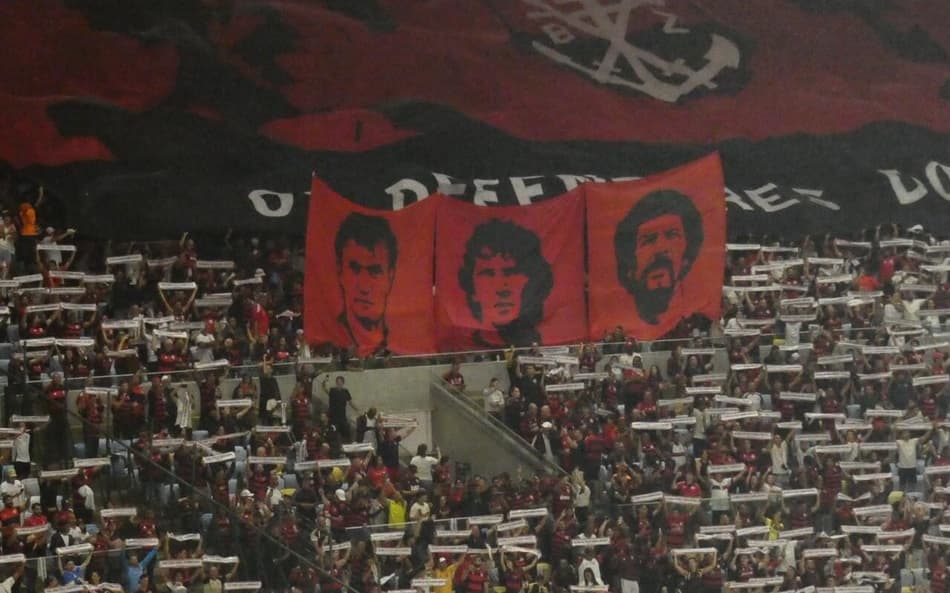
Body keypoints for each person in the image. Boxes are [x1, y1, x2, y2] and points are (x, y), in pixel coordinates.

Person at [613, 189, 704, 325]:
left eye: (672, 235)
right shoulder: (615, 318)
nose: (661, 248)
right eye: (648, 240)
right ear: (629, 266)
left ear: (686, 258)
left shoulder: (697, 317)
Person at [457, 218, 553, 347]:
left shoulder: (549, 339)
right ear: (471, 287)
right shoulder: (461, 345)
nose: (502, 288)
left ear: (533, 282)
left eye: (511, 273)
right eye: (488, 274)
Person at [334, 212, 398, 355]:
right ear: (339, 271)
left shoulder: (402, 342)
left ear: (391, 276)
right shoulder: (329, 336)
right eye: (355, 269)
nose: (364, 287)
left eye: (375, 271)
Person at [322, 375, 358, 442]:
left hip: (342, 416)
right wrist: (325, 381)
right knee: (334, 433)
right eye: (337, 381)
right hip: (333, 417)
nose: (338, 383)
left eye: (340, 382)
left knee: (346, 432)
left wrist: (357, 409)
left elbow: (350, 402)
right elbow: (324, 388)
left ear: (343, 383)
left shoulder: (345, 391)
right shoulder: (332, 391)